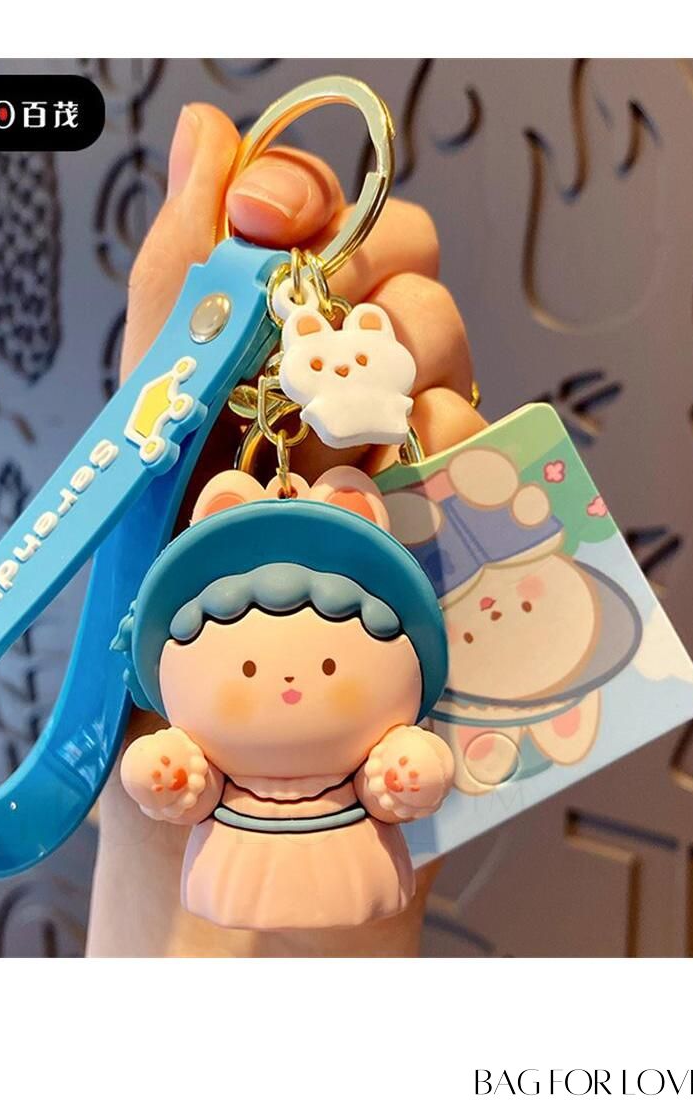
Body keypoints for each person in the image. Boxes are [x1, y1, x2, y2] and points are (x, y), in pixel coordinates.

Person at [86, 100, 485, 956]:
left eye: (334, 664)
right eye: (250, 667)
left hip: (364, 868)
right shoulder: (199, 744)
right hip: (216, 871)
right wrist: (160, 775)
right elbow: (171, 782)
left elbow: (412, 769)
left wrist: (411, 769)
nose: (294, 685)